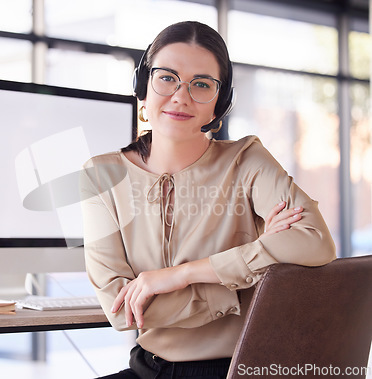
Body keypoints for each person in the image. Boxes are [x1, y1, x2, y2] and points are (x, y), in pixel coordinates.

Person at [80, 21, 336, 379]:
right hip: (148, 369)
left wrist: (178, 276)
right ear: (143, 86)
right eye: (166, 77)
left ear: (220, 102)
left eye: (201, 84)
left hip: (242, 369)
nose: (181, 96)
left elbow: (315, 243)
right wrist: (242, 280)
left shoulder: (247, 160)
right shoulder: (100, 175)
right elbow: (121, 308)